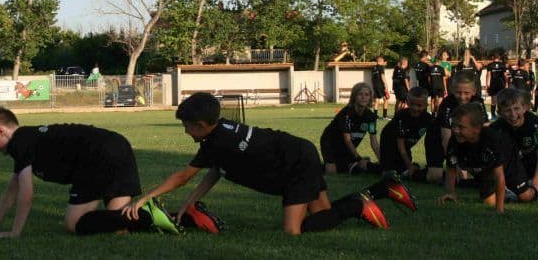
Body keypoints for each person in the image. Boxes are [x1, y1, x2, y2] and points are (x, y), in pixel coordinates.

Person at [122, 92, 418, 235]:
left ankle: (359, 203)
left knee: (294, 231)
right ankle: (384, 189)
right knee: (324, 216)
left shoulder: (216, 141)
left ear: (200, 125)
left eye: (186, 126)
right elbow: (216, 171)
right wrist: (189, 204)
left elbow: (183, 176)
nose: (185, 131)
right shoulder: (219, 133)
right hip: (299, 152)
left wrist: (145, 197)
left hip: (295, 165)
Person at [0, 106, 183, 237]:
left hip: (96, 156)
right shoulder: (27, 140)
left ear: (1, 130)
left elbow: (26, 194)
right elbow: (11, 192)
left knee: (73, 224)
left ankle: (147, 215)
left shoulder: (19, 142)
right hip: (118, 144)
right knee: (118, 224)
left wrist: (15, 232)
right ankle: (182, 216)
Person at [437, 103, 538, 213]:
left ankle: (535, 190)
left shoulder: (491, 140)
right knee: (489, 201)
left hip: (508, 162)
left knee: (525, 196)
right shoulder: (454, 140)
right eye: (453, 125)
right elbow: (451, 167)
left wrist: (499, 209)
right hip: (485, 167)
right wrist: (450, 193)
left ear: (476, 129)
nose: (455, 130)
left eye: (461, 127)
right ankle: (506, 193)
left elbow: (499, 176)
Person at [424, 72, 486, 184]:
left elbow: (485, 130)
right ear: (452, 90)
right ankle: (414, 172)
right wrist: (454, 165)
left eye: (466, 93)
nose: (462, 97)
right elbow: (446, 137)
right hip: (437, 139)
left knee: (476, 175)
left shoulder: (478, 103)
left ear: (474, 91)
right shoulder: (447, 104)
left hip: (461, 138)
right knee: (435, 177)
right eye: (458, 92)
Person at [320, 82, 381, 175]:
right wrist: (359, 159)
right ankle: (311, 166)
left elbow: (374, 142)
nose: (363, 97)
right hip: (330, 144)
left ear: (370, 98)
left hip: (347, 147)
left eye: (367, 94)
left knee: (356, 167)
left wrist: (383, 161)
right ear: (354, 97)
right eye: (360, 94)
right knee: (331, 171)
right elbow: (348, 140)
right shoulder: (346, 114)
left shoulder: (371, 117)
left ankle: (353, 164)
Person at [378, 87, 433, 180]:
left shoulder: (428, 119)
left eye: (419, 105)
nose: (415, 108)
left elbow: (431, 142)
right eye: (412, 104)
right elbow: (400, 144)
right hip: (389, 142)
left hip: (406, 145)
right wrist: (409, 165)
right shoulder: (401, 116)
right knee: (391, 172)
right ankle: (365, 165)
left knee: (405, 168)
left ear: (426, 105)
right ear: (407, 102)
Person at [485, 52, 508, 120]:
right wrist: (506, 83)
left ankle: (493, 115)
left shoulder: (490, 65)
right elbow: (505, 75)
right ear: (499, 58)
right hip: (501, 84)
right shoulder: (502, 65)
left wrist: (487, 84)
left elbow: (488, 75)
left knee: (493, 100)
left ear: (493, 57)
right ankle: (501, 114)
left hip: (493, 84)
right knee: (501, 99)